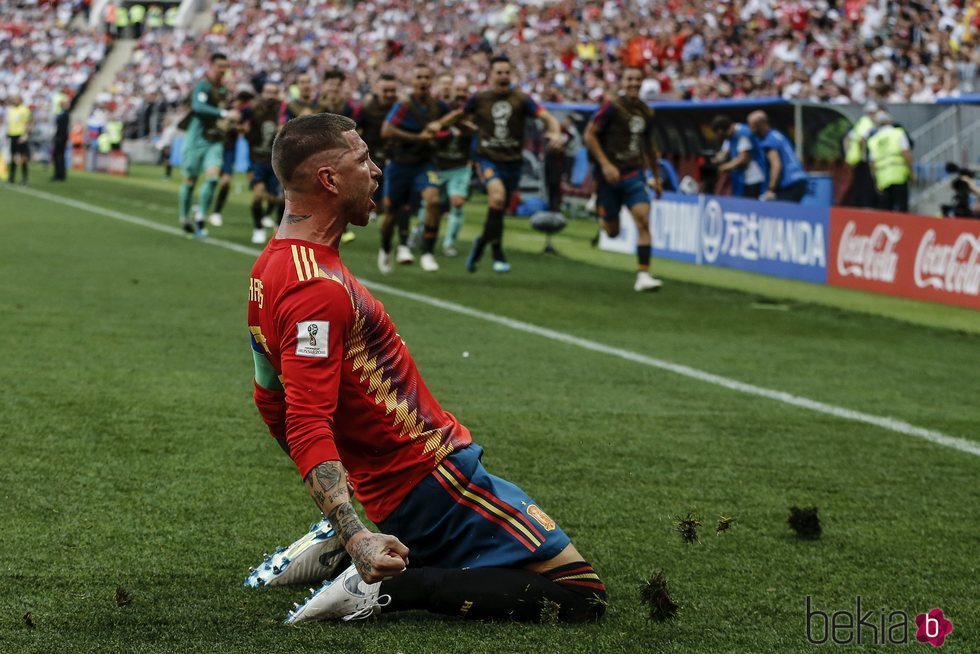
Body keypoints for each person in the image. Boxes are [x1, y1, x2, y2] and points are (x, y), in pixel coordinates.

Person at [244, 112, 606, 624]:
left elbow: (268, 397)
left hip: (398, 484)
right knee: (581, 594)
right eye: (363, 159)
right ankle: (385, 584)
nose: (376, 169)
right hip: (435, 479)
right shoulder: (316, 290)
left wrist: (351, 507)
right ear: (329, 179)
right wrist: (357, 532)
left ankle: (342, 550)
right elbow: (303, 419)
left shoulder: (270, 268)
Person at [433, 56, 563, 273]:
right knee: (497, 197)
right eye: (499, 72)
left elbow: (546, 116)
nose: (503, 76)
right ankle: (497, 253)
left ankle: (482, 244)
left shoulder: (522, 99)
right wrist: (438, 124)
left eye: (506, 72)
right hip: (487, 159)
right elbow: (458, 115)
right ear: (491, 75)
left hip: (512, 162)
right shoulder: (480, 98)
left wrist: (555, 132)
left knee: (498, 209)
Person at [583, 66, 664, 292]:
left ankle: (644, 275)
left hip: (633, 174)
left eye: (637, 79)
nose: (633, 83)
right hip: (609, 176)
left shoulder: (647, 113)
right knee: (613, 231)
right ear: (622, 82)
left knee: (643, 219)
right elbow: (589, 134)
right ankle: (601, 214)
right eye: (629, 79)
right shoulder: (611, 107)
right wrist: (606, 164)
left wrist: (656, 177)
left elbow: (649, 146)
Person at [378, 63, 449, 273]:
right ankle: (385, 248)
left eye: (427, 77)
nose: (423, 81)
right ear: (413, 81)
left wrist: (454, 125)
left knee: (434, 200)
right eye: (419, 77)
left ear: (431, 81)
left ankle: (427, 252)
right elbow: (386, 130)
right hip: (400, 163)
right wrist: (417, 137)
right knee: (391, 213)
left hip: (425, 163)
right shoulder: (403, 105)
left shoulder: (438, 106)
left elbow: (453, 117)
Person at [177, 52, 239, 238]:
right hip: (196, 139)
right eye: (220, 65)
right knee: (190, 182)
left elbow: (225, 113)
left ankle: (201, 218)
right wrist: (223, 114)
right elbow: (197, 107)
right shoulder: (202, 85)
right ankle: (184, 218)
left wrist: (229, 119)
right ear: (211, 65)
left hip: (214, 140)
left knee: (212, 179)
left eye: (225, 66)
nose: (223, 69)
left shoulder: (223, 90)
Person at [241, 82, 284, 244]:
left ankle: (272, 221)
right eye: (267, 92)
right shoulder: (252, 109)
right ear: (262, 93)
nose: (270, 96)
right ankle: (258, 228)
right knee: (257, 196)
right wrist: (240, 126)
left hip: (275, 160)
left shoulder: (281, 110)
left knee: (275, 199)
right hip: (257, 159)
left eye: (274, 92)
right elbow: (238, 116)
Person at [356, 73, 398, 224]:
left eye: (392, 90)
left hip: (396, 156)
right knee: (374, 185)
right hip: (372, 155)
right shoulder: (366, 108)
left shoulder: (401, 108)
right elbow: (356, 129)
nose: (389, 94)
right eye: (385, 90)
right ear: (377, 89)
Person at [208, 88, 252, 228]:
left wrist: (239, 126)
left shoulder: (243, 114)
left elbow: (245, 129)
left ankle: (216, 212)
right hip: (215, 148)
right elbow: (218, 124)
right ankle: (204, 207)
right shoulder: (223, 109)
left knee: (225, 182)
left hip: (229, 150)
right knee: (212, 180)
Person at [748, 110, 808, 203]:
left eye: (752, 126)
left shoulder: (769, 141)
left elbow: (776, 165)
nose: (751, 130)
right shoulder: (777, 134)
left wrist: (770, 189)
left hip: (789, 184)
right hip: (799, 179)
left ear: (759, 125)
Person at [867, 110, 913, 213]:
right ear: (890, 121)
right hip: (899, 175)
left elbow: (872, 163)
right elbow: (906, 153)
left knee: (886, 211)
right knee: (902, 208)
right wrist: (911, 172)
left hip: (882, 178)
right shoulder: (898, 133)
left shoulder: (873, 140)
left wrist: (875, 180)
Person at [710, 115, 766, 199]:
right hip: (741, 178)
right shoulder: (728, 136)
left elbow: (743, 159)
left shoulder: (743, 134)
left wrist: (724, 167)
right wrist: (716, 159)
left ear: (724, 131)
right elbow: (724, 152)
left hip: (753, 178)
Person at [842, 102, 879, 208]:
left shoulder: (860, 123)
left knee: (858, 185)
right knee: (865, 185)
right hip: (861, 160)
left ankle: (858, 206)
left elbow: (847, 138)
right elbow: (861, 139)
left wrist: (847, 153)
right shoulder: (867, 124)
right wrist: (863, 154)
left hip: (854, 158)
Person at [6, 94, 32, 185]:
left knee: (23, 157)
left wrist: (25, 135)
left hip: (21, 136)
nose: (13, 101)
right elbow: (10, 123)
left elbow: (29, 123)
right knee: (13, 157)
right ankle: (11, 177)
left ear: (20, 100)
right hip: (12, 135)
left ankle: (24, 178)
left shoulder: (24, 109)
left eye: (15, 99)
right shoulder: (11, 110)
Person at [51, 98, 70, 182]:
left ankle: (60, 174)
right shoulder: (61, 113)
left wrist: (60, 137)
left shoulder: (65, 114)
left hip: (61, 137)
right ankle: (58, 174)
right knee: (57, 156)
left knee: (60, 156)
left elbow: (63, 128)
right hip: (59, 137)